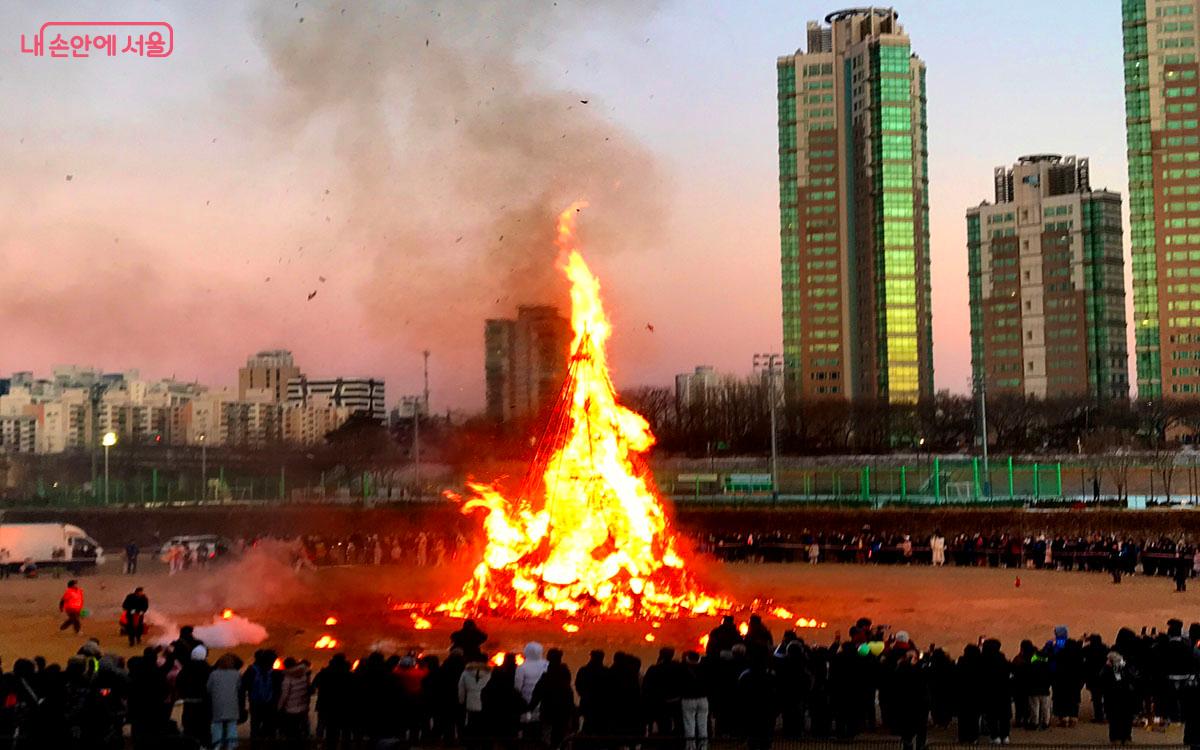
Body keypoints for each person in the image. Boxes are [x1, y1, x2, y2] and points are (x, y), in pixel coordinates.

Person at [530, 648, 573, 747]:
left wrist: (530, 707)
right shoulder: (564, 677)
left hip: (549, 713)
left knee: (547, 740)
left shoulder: (547, 677)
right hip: (561, 713)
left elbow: (537, 694)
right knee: (560, 739)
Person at [312, 653, 353, 749]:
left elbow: (314, 686)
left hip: (326, 706)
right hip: (344, 706)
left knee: (331, 733)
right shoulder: (349, 674)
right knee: (345, 732)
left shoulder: (323, 673)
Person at [207, 652, 245, 750]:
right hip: (232, 703)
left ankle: (217, 745)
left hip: (217, 703)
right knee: (232, 725)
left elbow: (209, 688)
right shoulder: (237, 674)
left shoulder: (214, 674)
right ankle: (231, 746)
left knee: (217, 725)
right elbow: (239, 688)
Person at [178, 645, 213, 747]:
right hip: (204, 704)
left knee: (189, 727)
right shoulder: (207, 669)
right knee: (204, 727)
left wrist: (183, 695)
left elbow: (179, 682)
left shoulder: (186, 668)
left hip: (189, 702)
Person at [1100, 651, 1137, 744]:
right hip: (1127, 697)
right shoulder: (1127, 667)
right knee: (1126, 718)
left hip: (1114, 697)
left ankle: (1116, 737)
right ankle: (1126, 737)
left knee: (1114, 718)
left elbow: (1106, 681)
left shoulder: (1111, 669)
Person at [243, 649, 280, 739]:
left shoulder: (251, 670)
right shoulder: (275, 673)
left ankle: (255, 743)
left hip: (255, 703)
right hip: (271, 704)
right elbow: (278, 689)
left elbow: (244, 685)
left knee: (255, 726)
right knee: (270, 727)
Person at [515, 642, 548, 737]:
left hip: (527, 705)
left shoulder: (522, 667)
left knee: (527, 730)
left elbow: (517, 687)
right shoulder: (547, 665)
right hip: (544, 705)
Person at [680, 650, 710, 750]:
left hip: (688, 699)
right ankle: (703, 745)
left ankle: (690, 746)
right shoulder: (705, 669)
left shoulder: (682, 670)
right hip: (703, 699)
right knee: (703, 723)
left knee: (689, 722)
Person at [458, 658, 491, 750]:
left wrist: (461, 701)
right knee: (484, 726)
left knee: (472, 724)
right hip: (485, 702)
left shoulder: (465, 673)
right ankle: (484, 744)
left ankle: (472, 744)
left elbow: (461, 688)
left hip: (471, 701)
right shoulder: (489, 673)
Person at [277, 657, 311, 740]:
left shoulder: (288, 678)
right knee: (302, 730)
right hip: (303, 707)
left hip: (291, 709)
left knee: (292, 732)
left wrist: (279, 707)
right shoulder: (304, 675)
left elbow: (284, 695)